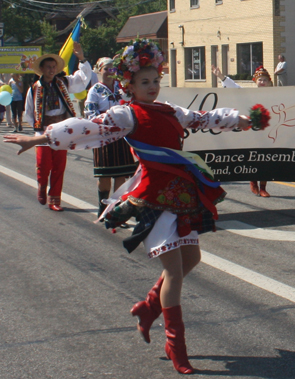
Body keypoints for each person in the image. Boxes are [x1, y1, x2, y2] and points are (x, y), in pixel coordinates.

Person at [5, 39, 255, 375]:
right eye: (144, 82)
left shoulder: (170, 110)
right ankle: (175, 344)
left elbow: (201, 117)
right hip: (154, 197)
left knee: (191, 258)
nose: (151, 87)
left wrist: (238, 119)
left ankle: (148, 308)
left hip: (181, 194)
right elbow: (86, 128)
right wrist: (39, 138)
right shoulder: (126, 114)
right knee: (174, 272)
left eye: (155, 81)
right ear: (130, 86)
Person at [24, 42, 92, 212]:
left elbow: (82, 80)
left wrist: (82, 59)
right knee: (44, 164)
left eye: (54, 67)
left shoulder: (63, 83)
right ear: (42, 68)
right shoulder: (34, 89)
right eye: (49, 67)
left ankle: (55, 199)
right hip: (44, 130)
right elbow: (29, 112)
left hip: (62, 130)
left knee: (59, 166)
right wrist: (38, 128)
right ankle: (41, 185)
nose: (52, 70)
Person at [84, 57, 137, 218]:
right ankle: (103, 205)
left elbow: (131, 104)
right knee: (104, 174)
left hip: (121, 136)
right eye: (106, 69)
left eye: (112, 69)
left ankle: (115, 209)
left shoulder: (122, 88)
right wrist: (104, 122)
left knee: (121, 174)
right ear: (99, 70)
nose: (109, 72)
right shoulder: (95, 90)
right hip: (103, 136)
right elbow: (90, 112)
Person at [211, 64, 272, 197]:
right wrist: (221, 76)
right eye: (260, 79)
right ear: (255, 81)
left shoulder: (274, 95)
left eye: (264, 80)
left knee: (266, 159)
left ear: (269, 82)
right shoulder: (248, 94)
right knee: (254, 157)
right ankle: (253, 182)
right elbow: (235, 88)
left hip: (267, 131)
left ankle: (263, 187)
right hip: (252, 132)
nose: (262, 82)